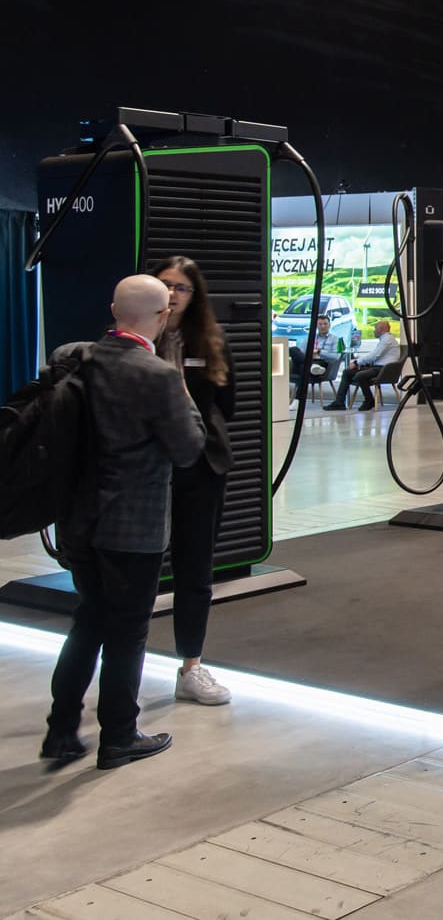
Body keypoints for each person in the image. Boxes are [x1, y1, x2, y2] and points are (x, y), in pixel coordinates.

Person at [43, 275, 206, 770]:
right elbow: (189, 447)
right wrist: (180, 386)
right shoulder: (156, 375)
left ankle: (61, 730)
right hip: (133, 528)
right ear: (163, 317)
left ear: (114, 310)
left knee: (89, 620)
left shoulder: (70, 357)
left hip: (78, 522)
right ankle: (118, 736)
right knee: (127, 633)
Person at [153, 257, 238, 707]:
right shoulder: (135, 338)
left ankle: (191, 666)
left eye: (181, 287)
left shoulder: (211, 339)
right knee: (139, 569)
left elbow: (229, 403)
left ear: (194, 294)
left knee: (195, 570)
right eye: (165, 284)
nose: (172, 294)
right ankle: (119, 666)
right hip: (146, 468)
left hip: (201, 467)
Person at [323, 318, 402, 411]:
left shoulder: (387, 340)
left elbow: (374, 355)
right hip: (378, 367)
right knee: (347, 372)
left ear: (381, 329)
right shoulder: (385, 339)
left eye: (375, 329)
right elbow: (375, 357)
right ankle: (339, 402)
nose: (374, 331)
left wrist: (356, 362)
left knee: (360, 375)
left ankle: (369, 400)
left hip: (383, 369)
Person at [287, 312, 343, 397]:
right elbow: (300, 352)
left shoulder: (335, 339)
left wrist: (319, 352)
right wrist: (310, 353)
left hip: (322, 364)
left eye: (325, 324)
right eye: (320, 324)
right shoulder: (310, 338)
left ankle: (298, 399)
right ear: (316, 326)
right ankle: (310, 366)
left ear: (329, 325)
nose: (322, 326)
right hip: (309, 360)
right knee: (293, 350)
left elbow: (336, 357)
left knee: (303, 368)